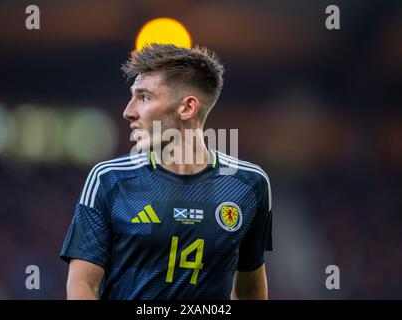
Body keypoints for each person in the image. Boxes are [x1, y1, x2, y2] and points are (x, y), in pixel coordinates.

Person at [60, 44, 272, 300]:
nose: (128, 112)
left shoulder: (249, 184)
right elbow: (83, 286)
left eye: (145, 97)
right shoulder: (109, 179)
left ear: (187, 108)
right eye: (132, 96)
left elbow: (251, 289)